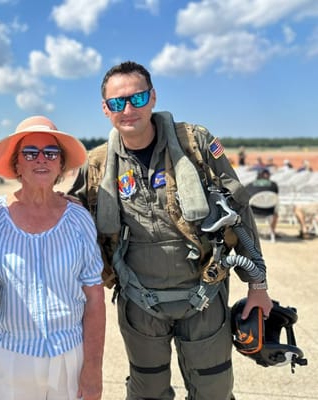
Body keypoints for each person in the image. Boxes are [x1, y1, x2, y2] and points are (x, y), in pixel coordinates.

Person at [68, 61, 273, 400]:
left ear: (153, 97)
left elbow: (240, 211)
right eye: (118, 103)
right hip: (140, 304)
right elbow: (64, 220)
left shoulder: (195, 144)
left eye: (138, 97)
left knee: (215, 391)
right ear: (105, 109)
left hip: (204, 299)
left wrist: (258, 286)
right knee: (147, 391)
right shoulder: (96, 165)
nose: (129, 109)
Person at [0, 116, 106, 400]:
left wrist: (93, 369)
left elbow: (94, 298)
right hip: (7, 356)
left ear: (60, 164)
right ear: (16, 163)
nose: (41, 159)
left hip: (69, 355)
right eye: (30, 153)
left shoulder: (79, 219)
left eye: (50, 153)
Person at [245, 168, 279, 239]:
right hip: (269, 212)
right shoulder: (274, 185)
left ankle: (248, 233)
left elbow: (245, 197)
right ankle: (272, 232)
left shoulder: (249, 185)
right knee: (276, 212)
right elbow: (276, 195)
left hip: (253, 212)